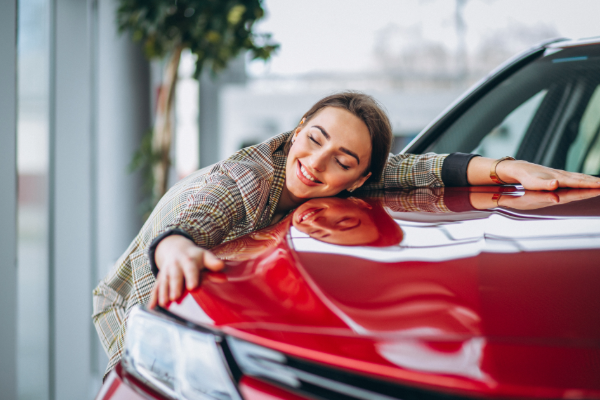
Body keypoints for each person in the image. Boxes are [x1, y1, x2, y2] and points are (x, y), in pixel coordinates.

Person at [92, 91, 600, 377]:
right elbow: (197, 215)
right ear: (297, 130)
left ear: (360, 178)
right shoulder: (242, 183)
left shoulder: (360, 176)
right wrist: (176, 247)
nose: (315, 162)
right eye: (313, 139)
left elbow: (418, 169)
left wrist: (510, 170)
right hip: (136, 299)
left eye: (343, 160)